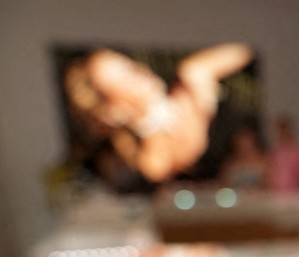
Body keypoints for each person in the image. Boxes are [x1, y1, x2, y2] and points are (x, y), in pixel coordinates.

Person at [64, 43, 253, 182]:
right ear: (112, 112)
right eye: (125, 78)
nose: (140, 72)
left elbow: (248, 47)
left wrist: (198, 71)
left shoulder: (190, 76)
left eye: (130, 66)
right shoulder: (151, 160)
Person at [266, 115, 299, 193]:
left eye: (285, 129)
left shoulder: (298, 153)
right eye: (280, 130)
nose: (283, 133)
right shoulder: (274, 153)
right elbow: (269, 174)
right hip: (276, 193)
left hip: (295, 193)